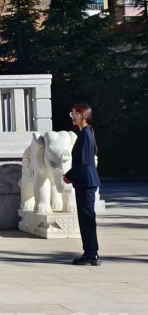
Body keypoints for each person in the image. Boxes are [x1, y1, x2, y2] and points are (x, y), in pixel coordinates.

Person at [63, 103, 101, 266]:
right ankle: (90, 253)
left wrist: (69, 175)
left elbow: (84, 163)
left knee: (87, 219)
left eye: (76, 114)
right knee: (86, 218)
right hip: (85, 182)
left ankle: (91, 254)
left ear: (85, 115)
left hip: (86, 182)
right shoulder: (86, 133)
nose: (73, 116)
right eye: (72, 113)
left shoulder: (86, 134)